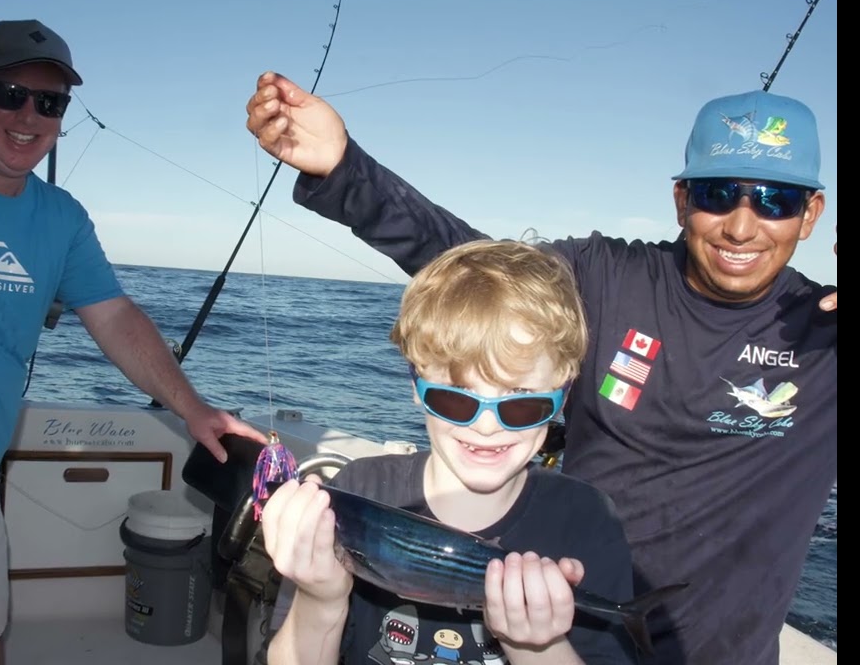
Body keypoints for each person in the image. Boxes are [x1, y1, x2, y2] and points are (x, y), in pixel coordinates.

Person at [245, 72, 836, 665]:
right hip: (561, 616)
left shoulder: (828, 335)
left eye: (776, 201)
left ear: (810, 214)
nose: (741, 226)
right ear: (682, 200)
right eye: (717, 193)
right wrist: (345, 170)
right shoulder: (604, 277)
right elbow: (478, 272)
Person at [0, 19, 265, 665]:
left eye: (50, 102)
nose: (28, 116)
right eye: (10, 94)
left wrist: (193, 409)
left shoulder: (61, 218)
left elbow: (116, 319)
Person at [261, 238, 640, 665]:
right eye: (455, 398)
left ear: (563, 396)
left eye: (522, 403)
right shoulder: (357, 490)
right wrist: (320, 599)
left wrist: (538, 647)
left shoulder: (587, 520)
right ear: (416, 386)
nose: (487, 426)